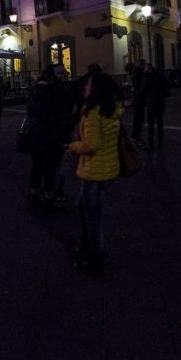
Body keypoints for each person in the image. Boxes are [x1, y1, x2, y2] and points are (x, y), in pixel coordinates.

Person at [68, 72, 124, 274]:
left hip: (95, 170)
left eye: (89, 85)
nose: (85, 88)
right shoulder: (112, 108)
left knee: (92, 216)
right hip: (108, 167)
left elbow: (92, 144)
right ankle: (87, 245)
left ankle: (95, 257)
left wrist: (73, 146)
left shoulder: (93, 112)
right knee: (83, 206)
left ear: (96, 88)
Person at [25, 64, 75, 208]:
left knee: (38, 166)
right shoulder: (53, 91)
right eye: (60, 73)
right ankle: (49, 198)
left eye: (65, 72)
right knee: (50, 167)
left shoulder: (38, 88)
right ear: (51, 75)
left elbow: (30, 112)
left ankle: (35, 195)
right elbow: (59, 115)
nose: (64, 75)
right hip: (51, 135)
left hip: (37, 135)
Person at [142, 63, 170, 150]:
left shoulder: (147, 78)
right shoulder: (160, 76)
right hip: (160, 102)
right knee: (160, 123)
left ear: (148, 69)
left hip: (151, 103)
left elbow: (143, 90)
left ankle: (151, 144)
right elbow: (167, 85)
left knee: (151, 124)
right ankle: (160, 143)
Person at [130, 59, 148, 147]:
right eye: (144, 65)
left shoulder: (135, 73)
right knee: (139, 119)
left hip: (137, 100)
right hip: (139, 100)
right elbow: (140, 88)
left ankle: (135, 137)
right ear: (142, 65)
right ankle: (135, 137)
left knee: (137, 119)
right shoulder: (140, 74)